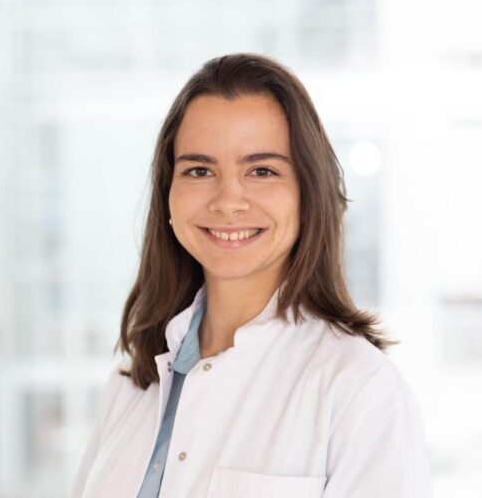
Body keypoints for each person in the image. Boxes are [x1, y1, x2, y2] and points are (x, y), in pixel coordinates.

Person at [69, 53, 432, 498]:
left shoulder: (359, 389)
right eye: (199, 170)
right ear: (168, 196)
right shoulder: (132, 385)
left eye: (261, 171)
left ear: (308, 194)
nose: (227, 201)